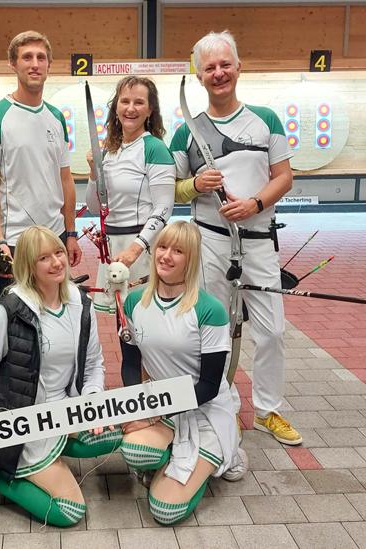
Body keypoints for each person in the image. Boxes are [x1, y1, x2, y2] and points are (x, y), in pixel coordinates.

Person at [0, 226, 122, 527]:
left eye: (59, 253)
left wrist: (92, 401)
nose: (56, 263)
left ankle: (50, 461)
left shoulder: (80, 304)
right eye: (44, 258)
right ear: (29, 267)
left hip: (62, 411)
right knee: (68, 512)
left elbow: (94, 363)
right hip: (22, 420)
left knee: (113, 434)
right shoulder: (8, 310)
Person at [170, 31, 302, 446]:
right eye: (209, 67)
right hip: (209, 242)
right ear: (199, 75)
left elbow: (284, 177)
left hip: (260, 241)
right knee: (215, 328)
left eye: (225, 64)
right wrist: (195, 183)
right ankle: (219, 403)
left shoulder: (266, 119)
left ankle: (267, 410)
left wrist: (255, 204)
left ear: (238, 68)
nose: (218, 72)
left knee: (273, 330)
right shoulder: (185, 132)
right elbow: (171, 189)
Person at [121, 221, 248, 525]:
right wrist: (139, 405)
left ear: (191, 260)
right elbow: (129, 363)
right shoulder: (134, 301)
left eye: (178, 251)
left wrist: (151, 412)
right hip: (161, 403)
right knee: (136, 452)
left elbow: (209, 385)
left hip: (203, 407)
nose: (165, 256)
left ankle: (227, 445)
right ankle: (169, 458)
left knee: (166, 512)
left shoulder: (209, 309)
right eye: (162, 247)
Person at [0, 30, 81, 298]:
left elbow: (65, 179)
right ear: (13, 64)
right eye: (27, 57)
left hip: (54, 235)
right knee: (16, 322)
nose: (35, 64)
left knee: (56, 309)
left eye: (41, 57)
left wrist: (70, 232)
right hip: (15, 240)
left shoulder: (56, 117)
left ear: (48, 65)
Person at [85, 76, 176, 386]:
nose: (131, 108)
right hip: (113, 248)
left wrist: (137, 248)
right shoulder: (109, 150)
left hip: (142, 249)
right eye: (125, 101)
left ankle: (157, 395)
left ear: (150, 109)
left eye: (139, 102)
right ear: (116, 107)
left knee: (146, 329)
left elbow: (163, 208)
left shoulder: (154, 148)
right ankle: (135, 399)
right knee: (125, 329)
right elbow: (96, 208)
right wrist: (95, 173)